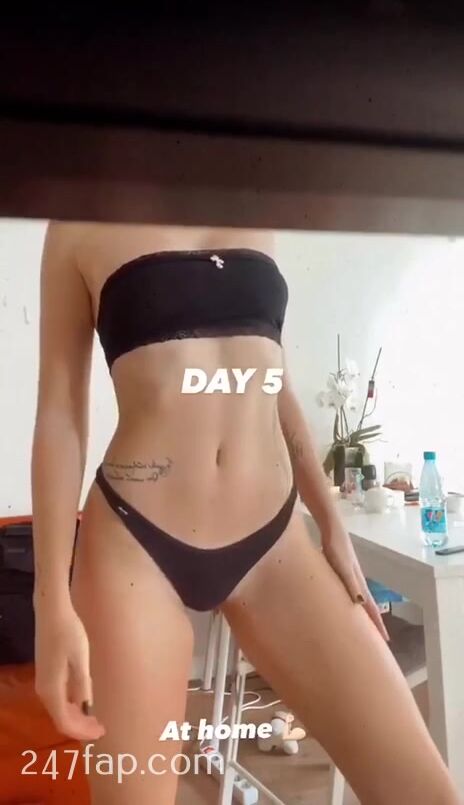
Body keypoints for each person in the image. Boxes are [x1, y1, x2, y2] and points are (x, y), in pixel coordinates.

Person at [31, 221, 459, 805]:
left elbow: (272, 377)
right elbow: (59, 412)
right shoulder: (79, 217)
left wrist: (329, 523)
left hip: (274, 539)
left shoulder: (253, 202)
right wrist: (51, 601)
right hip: (136, 542)